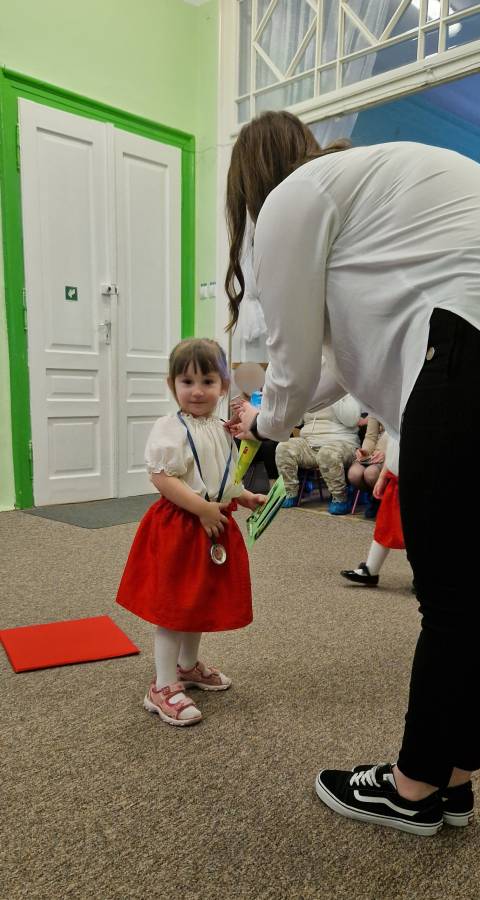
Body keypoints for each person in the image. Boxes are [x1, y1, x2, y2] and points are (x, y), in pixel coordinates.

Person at [225, 110, 480, 835]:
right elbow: (333, 369)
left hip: (459, 352)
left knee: (450, 601)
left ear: (249, 182)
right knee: (472, 594)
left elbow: (292, 367)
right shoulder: (366, 190)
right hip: (467, 343)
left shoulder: (294, 199)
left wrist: (263, 423)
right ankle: (455, 777)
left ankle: (411, 788)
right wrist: (276, 412)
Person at [116, 338, 266, 727]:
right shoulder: (169, 428)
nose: (197, 391)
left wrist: (244, 496)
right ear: (172, 385)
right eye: (187, 382)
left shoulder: (220, 428)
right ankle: (162, 686)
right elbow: (161, 477)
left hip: (212, 523)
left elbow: (221, 476)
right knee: (174, 608)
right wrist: (200, 508)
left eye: (207, 381)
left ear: (224, 385)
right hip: (181, 526)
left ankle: (186, 666)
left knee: (198, 601)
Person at [275, 396, 361, 513]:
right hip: (310, 442)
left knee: (327, 453)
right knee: (284, 447)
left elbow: (352, 420)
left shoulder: (347, 392)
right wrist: (298, 398)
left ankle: (340, 497)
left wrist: (333, 393)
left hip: (342, 442)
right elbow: (297, 421)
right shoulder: (311, 391)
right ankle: (290, 493)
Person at [341, 437, 406, 586]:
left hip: (417, 477)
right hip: (396, 477)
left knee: (414, 530)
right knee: (384, 525)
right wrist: (383, 476)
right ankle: (371, 570)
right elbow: (394, 446)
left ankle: (422, 576)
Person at [347, 416, 387, 519]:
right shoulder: (376, 408)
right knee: (354, 474)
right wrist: (365, 451)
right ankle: (373, 496)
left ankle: (379, 500)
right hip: (374, 453)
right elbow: (370, 436)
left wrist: (386, 453)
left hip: (392, 453)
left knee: (371, 473)